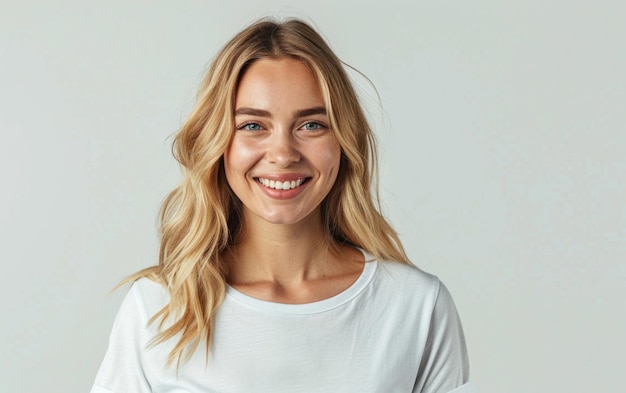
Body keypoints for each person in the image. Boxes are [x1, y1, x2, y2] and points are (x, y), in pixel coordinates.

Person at [91, 18, 472, 393]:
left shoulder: (416, 307)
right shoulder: (158, 307)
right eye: (253, 126)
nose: (283, 154)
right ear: (217, 143)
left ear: (343, 140)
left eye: (311, 125)